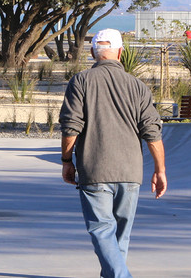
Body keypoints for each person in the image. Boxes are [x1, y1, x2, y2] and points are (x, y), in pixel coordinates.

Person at [59, 28, 166, 278]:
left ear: (94, 53)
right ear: (120, 52)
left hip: (95, 169)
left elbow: (71, 127)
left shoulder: (82, 81)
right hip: (130, 172)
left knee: (101, 230)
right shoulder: (138, 86)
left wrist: (66, 161)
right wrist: (160, 170)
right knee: (120, 234)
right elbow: (153, 132)